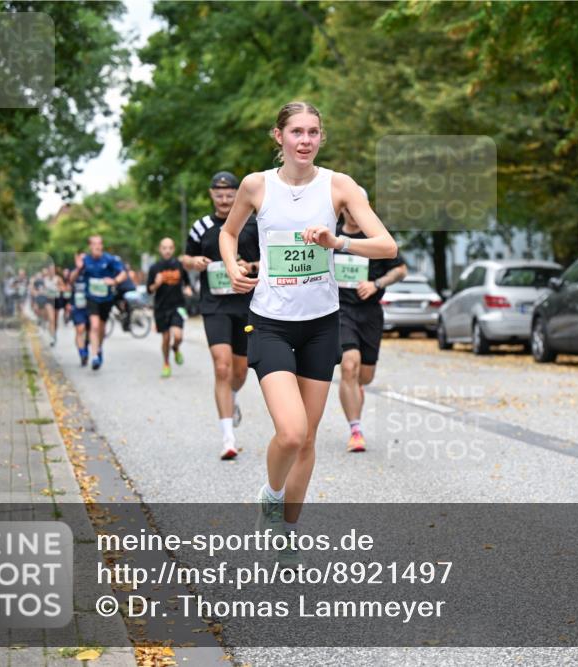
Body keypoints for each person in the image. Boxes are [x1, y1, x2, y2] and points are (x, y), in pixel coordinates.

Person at [218, 101, 397, 562]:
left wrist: (338, 241)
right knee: (292, 433)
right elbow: (229, 232)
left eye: (313, 132)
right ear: (278, 137)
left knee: (310, 438)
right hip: (272, 324)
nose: (305, 140)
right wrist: (232, 263)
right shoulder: (256, 185)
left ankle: (287, 530)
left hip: (321, 325)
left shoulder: (339, 186)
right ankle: (271, 497)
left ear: (321, 137)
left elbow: (386, 243)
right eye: (296, 131)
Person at [182, 171, 261, 460]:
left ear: (238, 194)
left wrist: (250, 266)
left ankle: (233, 397)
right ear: (212, 194)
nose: (225, 199)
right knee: (222, 367)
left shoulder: (252, 223)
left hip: (246, 306)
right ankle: (228, 437)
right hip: (214, 305)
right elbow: (186, 258)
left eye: (230, 194)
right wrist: (195, 262)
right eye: (220, 194)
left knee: (240, 371)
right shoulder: (201, 226)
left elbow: (267, 262)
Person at [335, 187, 407, 452]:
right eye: (350, 207)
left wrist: (376, 283)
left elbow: (400, 269)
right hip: (340, 311)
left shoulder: (376, 237)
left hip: (369, 313)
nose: (354, 213)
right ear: (342, 208)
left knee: (365, 376)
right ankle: (355, 429)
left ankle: (356, 389)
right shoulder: (331, 236)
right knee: (349, 366)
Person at [70, 235, 126, 370]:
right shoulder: (85, 260)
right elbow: (71, 280)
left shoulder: (109, 259)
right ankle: (94, 356)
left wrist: (114, 281)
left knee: (101, 328)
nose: (97, 246)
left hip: (106, 300)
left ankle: (99, 348)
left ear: (102, 245)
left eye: (99, 243)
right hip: (91, 298)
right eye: (94, 244)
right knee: (94, 326)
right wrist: (78, 269)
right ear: (90, 246)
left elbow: (123, 273)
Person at [147, 237, 193, 378]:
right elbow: (149, 290)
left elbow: (187, 283)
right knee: (166, 338)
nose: (167, 250)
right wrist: (156, 284)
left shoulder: (179, 266)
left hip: (177, 306)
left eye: (170, 248)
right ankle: (166, 363)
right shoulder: (154, 268)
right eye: (164, 248)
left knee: (178, 336)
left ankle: (176, 347)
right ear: (160, 249)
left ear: (173, 249)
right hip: (161, 307)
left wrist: (188, 289)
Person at [69, 255, 90, 366]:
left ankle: (86, 347)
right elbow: (71, 280)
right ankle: (82, 354)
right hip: (77, 306)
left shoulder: (90, 270)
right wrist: (78, 268)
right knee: (80, 329)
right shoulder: (75, 272)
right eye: (80, 259)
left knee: (90, 332)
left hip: (90, 305)